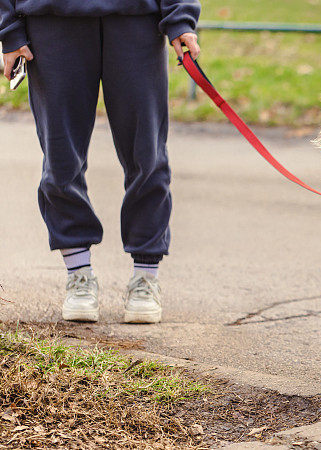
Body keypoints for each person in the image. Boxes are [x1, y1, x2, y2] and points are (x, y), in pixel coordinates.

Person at [1, 0, 202, 324]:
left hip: (136, 20)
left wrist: (180, 16)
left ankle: (145, 277)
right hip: (51, 22)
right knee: (60, 160)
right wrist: (8, 27)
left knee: (146, 155)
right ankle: (79, 275)